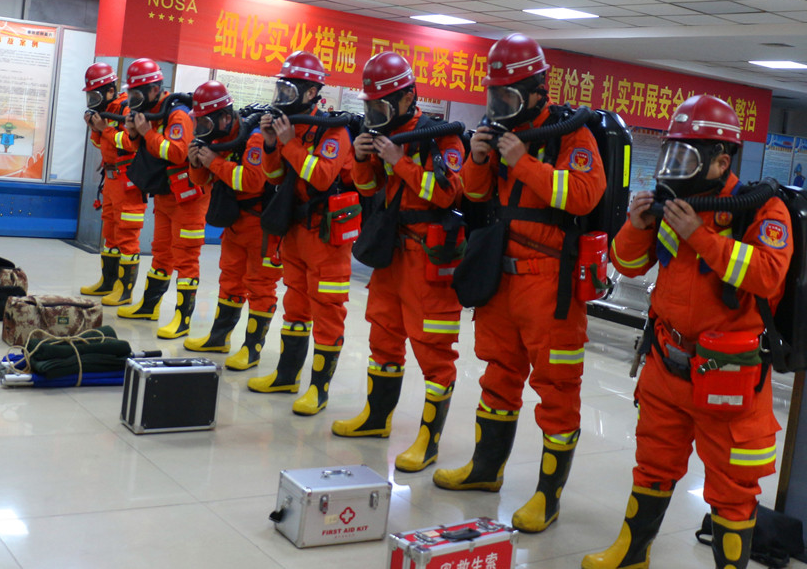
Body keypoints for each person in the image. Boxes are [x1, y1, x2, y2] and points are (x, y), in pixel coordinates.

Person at [584, 95, 791, 569]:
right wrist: (636, 226)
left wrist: (700, 234)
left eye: (687, 157)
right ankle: (632, 553)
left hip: (728, 376)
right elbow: (627, 264)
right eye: (671, 154)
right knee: (652, 463)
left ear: (721, 161)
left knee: (732, 487)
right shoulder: (673, 205)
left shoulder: (762, 209)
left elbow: (767, 276)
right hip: (666, 362)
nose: (674, 168)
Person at [433, 33, 606, 533]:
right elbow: (475, 195)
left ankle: (547, 497)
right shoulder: (497, 135)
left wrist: (522, 161)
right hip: (501, 280)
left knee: (557, 389)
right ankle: (486, 471)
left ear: (535, 91)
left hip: (551, 286)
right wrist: (479, 158)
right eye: (493, 98)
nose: (498, 108)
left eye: (507, 98)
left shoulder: (572, 134)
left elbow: (583, 195)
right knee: (498, 376)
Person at [331, 52, 467, 474]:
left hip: (429, 259)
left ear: (408, 98)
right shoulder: (382, 136)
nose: (374, 114)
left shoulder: (442, 138)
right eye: (370, 107)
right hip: (391, 254)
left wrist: (398, 160)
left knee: (433, 350)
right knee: (383, 336)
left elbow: (447, 194)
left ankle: (428, 440)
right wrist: (362, 157)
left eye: (381, 106)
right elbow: (368, 188)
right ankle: (377, 418)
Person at [250, 51, 356, 416]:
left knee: (326, 309)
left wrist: (289, 142)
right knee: (295, 303)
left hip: (326, 235)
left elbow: (322, 177)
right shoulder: (290, 128)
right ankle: (286, 376)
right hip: (295, 229)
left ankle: (318, 389)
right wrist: (270, 144)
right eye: (280, 89)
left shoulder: (334, 131)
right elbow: (275, 177)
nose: (282, 97)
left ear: (311, 93)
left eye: (290, 90)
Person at [184, 80, 283, 369]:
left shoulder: (254, 137)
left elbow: (253, 181)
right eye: (198, 122)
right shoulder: (217, 138)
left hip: (261, 225)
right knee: (230, 279)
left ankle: (252, 349)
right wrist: (196, 163)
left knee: (260, 285)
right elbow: (202, 181)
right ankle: (219, 338)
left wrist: (213, 161)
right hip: (235, 223)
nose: (202, 128)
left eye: (206, 122)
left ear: (225, 117)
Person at [113, 58, 209, 338]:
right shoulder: (150, 114)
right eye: (131, 93)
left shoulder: (178, 115)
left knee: (186, 257)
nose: (133, 100)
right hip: (166, 194)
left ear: (155, 90)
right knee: (161, 251)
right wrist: (134, 133)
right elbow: (142, 149)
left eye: (138, 94)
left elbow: (177, 153)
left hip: (189, 198)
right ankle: (149, 306)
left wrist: (146, 132)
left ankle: (182, 319)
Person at [80, 62, 146, 308]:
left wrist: (104, 128)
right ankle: (108, 281)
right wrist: (95, 129)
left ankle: (124, 290)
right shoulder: (107, 110)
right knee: (110, 233)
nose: (92, 101)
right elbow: (101, 145)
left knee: (126, 234)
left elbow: (130, 143)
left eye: (95, 96)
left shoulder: (126, 108)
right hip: (110, 179)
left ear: (110, 90)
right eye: (90, 97)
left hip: (128, 180)